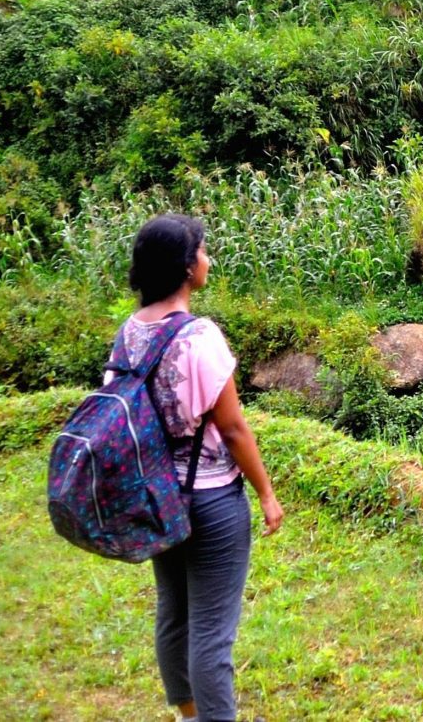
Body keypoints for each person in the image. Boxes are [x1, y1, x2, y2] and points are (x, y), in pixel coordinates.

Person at [108, 212, 284, 722]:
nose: (208, 258)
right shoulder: (199, 336)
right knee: (211, 633)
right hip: (210, 501)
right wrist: (267, 495)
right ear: (187, 268)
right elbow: (232, 429)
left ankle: (188, 715)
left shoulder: (131, 333)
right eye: (203, 251)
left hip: (157, 495)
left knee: (175, 613)